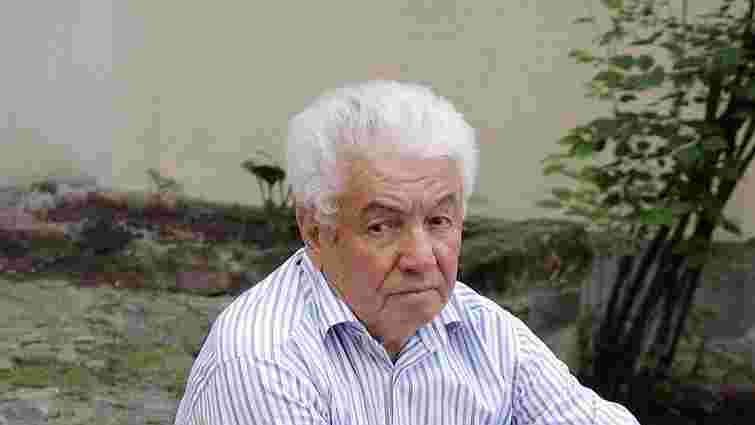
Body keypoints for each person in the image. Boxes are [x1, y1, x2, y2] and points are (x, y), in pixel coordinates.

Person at [173, 80, 641, 425]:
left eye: (439, 221)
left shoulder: (484, 333)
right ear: (315, 229)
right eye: (382, 227)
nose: (421, 258)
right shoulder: (262, 361)